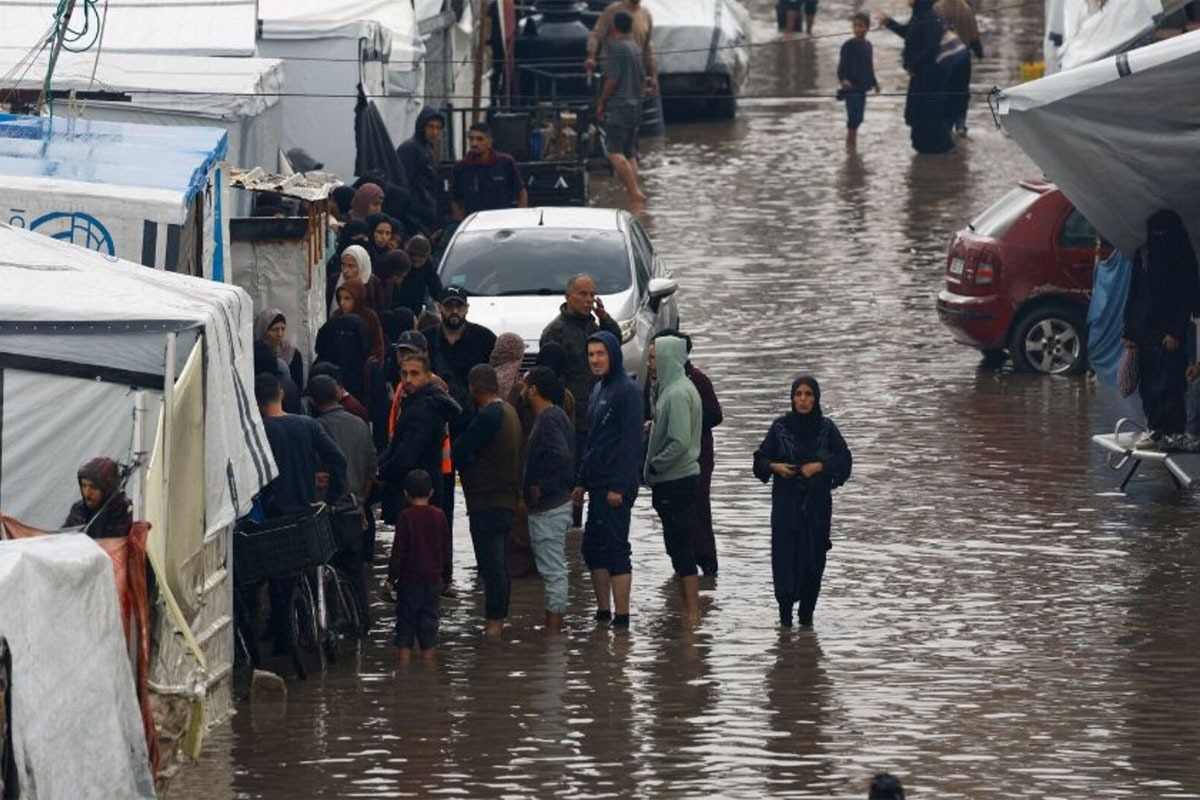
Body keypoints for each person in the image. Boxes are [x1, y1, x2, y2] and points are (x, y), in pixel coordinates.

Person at [255, 372, 349, 653]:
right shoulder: (307, 425)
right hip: (307, 514)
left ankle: (285, 641)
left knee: (278, 582)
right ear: (282, 393)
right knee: (311, 571)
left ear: (255, 402)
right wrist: (330, 498)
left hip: (275, 519)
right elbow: (338, 461)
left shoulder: (260, 432)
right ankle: (317, 628)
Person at [753, 376, 852, 628]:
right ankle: (784, 625)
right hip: (786, 507)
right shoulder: (780, 428)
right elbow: (759, 461)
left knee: (814, 562)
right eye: (798, 394)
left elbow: (845, 462)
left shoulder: (827, 429)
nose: (803, 399)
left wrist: (819, 466)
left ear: (816, 398)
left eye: (809, 394)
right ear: (792, 398)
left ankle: (807, 626)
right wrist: (776, 467)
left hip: (817, 509)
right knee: (784, 561)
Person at [573, 331, 643, 628]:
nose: (595, 360)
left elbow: (630, 443)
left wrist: (619, 486)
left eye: (600, 354)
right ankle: (603, 612)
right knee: (592, 547)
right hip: (596, 482)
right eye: (590, 354)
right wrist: (581, 481)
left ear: (613, 354)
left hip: (616, 486)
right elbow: (592, 441)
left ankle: (622, 617)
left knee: (616, 549)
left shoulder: (626, 391)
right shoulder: (599, 388)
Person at [451, 364, 522, 638]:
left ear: (473, 387)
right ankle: (499, 620)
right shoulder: (509, 412)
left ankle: (493, 625)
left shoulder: (489, 416)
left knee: (491, 565)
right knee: (501, 565)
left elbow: (461, 451)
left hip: (488, 502)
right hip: (505, 501)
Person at [1123, 210, 1200, 449]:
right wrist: (1128, 329)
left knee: (1170, 383)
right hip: (1144, 329)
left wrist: (1176, 331)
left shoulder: (1182, 257)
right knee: (1148, 384)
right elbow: (1133, 292)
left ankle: (1174, 430)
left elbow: (1187, 295)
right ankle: (1155, 427)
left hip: (1169, 332)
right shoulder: (1144, 254)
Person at [649, 329, 723, 576]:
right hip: (678, 458)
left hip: (697, 454)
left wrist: (688, 420)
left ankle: (707, 561)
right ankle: (687, 563)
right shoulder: (663, 384)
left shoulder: (695, 380)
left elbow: (715, 415)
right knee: (683, 514)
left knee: (698, 508)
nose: (651, 362)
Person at [540, 275, 622, 491]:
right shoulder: (555, 332)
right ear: (568, 297)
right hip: (571, 417)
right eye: (582, 294)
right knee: (571, 479)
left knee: (598, 475)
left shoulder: (596, 328)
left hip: (598, 413)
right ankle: (573, 520)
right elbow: (549, 378)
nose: (588, 300)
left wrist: (605, 318)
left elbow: (615, 344)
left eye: (592, 295)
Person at [309, 374, 376, 633]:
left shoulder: (316, 428)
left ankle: (334, 623)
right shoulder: (360, 424)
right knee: (355, 569)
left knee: (327, 569)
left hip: (328, 511)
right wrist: (361, 500)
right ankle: (361, 621)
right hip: (355, 509)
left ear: (313, 402)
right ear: (338, 395)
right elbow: (372, 469)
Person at [645, 335, 703, 622]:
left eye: (654, 357)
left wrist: (656, 464)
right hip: (674, 478)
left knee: (680, 547)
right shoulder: (671, 389)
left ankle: (692, 615)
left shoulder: (678, 393)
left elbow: (679, 442)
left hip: (676, 478)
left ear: (668, 358)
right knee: (676, 545)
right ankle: (687, 611)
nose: (649, 363)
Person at [522, 367, 576, 632]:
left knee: (553, 571)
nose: (522, 390)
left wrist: (541, 488)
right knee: (553, 570)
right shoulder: (556, 416)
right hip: (555, 504)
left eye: (525, 386)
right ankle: (553, 628)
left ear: (533, 390)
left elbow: (561, 456)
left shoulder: (549, 419)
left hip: (549, 508)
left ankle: (554, 634)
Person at [377, 353, 462, 524]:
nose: (408, 379)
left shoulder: (425, 407)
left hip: (417, 492)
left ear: (428, 376)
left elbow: (407, 453)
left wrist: (382, 471)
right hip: (419, 489)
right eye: (404, 373)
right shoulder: (418, 402)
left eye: (415, 374)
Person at [384, 469, 452, 663]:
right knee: (429, 625)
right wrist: (447, 579)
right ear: (431, 492)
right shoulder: (439, 516)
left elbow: (398, 551)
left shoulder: (405, 517)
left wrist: (390, 579)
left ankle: (403, 671)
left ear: (405, 493)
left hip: (409, 581)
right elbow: (446, 550)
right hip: (433, 581)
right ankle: (428, 673)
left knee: (405, 624)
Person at [880, 1, 954, 155]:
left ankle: (935, 157)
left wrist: (913, 65)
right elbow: (909, 33)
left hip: (929, 78)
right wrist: (889, 23)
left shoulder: (929, 16)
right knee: (918, 116)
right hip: (921, 76)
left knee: (927, 116)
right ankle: (926, 155)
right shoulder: (919, 15)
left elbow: (931, 46)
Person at [596, 12, 647, 211]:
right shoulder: (636, 48)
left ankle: (635, 192)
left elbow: (612, 80)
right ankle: (635, 195)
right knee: (630, 153)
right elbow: (643, 80)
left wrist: (601, 102)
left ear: (614, 28)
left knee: (613, 151)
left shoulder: (618, 49)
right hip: (636, 107)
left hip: (620, 107)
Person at [450, 122, 528, 221]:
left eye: (479, 139)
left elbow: (521, 193)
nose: (474, 143)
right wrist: (462, 224)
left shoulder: (505, 162)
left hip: (502, 222)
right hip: (474, 225)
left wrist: (519, 218)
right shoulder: (460, 167)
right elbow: (456, 200)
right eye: (471, 139)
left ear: (489, 141)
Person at [586, 0, 658, 94]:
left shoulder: (646, 14)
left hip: (635, 68)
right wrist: (591, 57)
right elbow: (596, 35)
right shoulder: (612, 11)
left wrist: (653, 75)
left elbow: (648, 46)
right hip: (612, 66)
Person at [397, 107, 447, 237]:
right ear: (422, 126)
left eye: (438, 128)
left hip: (424, 217)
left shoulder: (425, 149)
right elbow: (407, 185)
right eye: (431, 126)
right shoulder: (411, 149)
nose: (435, 132)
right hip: (414, 219)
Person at [935, 0, 982, 137]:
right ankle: (961, 123)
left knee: (947, 91)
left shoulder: (937, 8)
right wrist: (979, 53)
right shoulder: (966, 8)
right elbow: (974, 36)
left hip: (946, 59)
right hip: (964, 58)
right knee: (962, 91)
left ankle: (947, 125)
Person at [837, 13, 880, 152]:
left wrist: (875, 83)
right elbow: (841, 68)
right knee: (853, 119)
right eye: (855, 25)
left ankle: (851, 147)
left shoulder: (868, 46)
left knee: (859, 118)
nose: (857, 29)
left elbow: (869, 67)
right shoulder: (848, 45)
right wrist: (844, 80)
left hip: (863, 88)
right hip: (851, 89)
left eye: (860, 26)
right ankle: (850, 148)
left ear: (867, 28)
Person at [64, 457, 132, 539]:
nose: (87, 493)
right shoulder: (78, 510)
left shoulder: (121, 511)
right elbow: (63, 537)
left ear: (107, 488)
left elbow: (119, 543)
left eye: (93, 487)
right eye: (83, 486)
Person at [332, 280, 386, 363]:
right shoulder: (337, 316)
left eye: (347, 299)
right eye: (340, 298)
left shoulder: (369, 317)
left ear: (357, 299)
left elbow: (378, 346)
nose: (342, 303)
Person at [329, 244, 388, 316]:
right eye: (343, 265)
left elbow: (379, 310)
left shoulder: (372, 283)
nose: (345, 270)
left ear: (361, 265)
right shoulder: (334, 280)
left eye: (351, 266)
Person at [394, 235, 444, 318]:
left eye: (420, 261)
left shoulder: (428, 267)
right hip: (396, 307)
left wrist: (444, 301)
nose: (416, 265)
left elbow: (435, 287)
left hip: (415, 309)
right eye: (413, 261)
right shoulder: (399, 261)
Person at [255, 308, 304, 390]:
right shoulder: (256, 354)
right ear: (263, 330)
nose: (280, 334)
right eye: (275, 330)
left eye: (283, 329)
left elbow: (297, 387)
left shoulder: (292, 354)